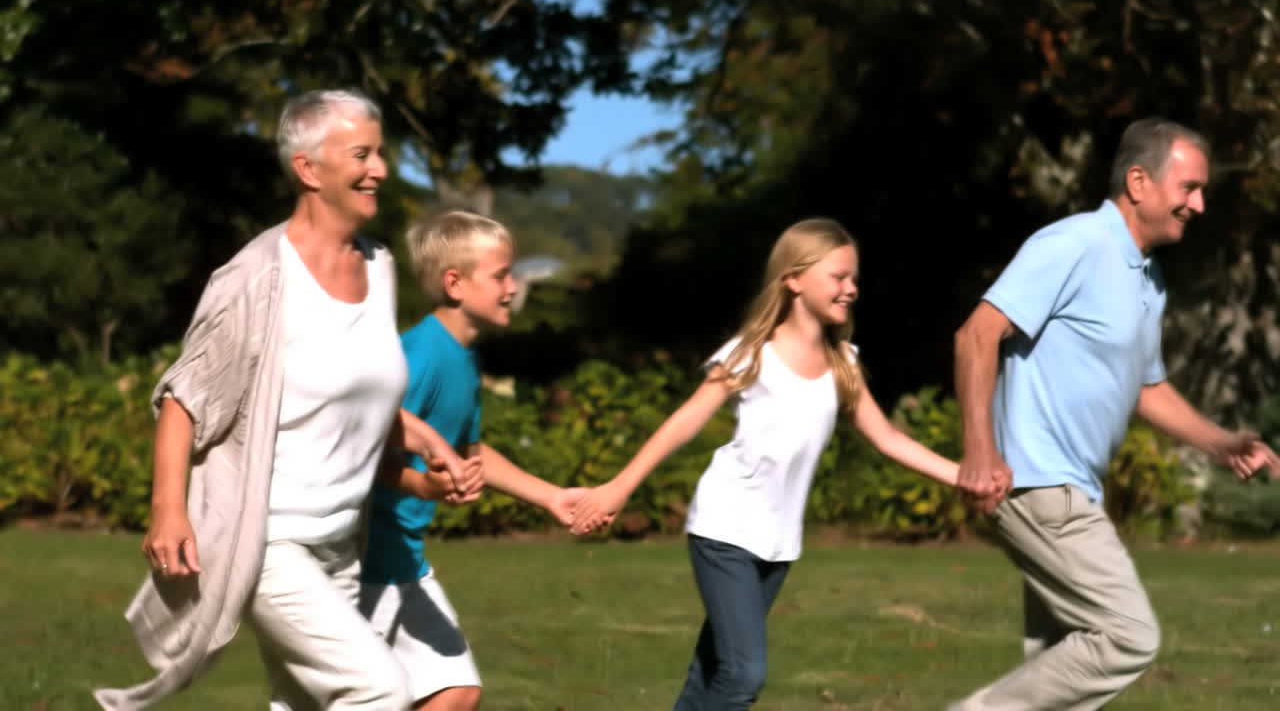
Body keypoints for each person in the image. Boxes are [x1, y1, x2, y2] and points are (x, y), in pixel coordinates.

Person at [95, 88, 443, 710]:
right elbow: (185, 400)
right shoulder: (255, 278)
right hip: (267, 542)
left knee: (305, 704)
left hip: (339, 544)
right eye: (362, 154)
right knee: (378, 690)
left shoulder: (380, 267)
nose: (381, 170)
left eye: (380, 153)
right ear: (308, 169)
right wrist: (167, 511)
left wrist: (423, 442)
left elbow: (361, 394)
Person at [949, 117, 1280, 710]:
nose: (1199, 204)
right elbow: (977, 334)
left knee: (1060, 669)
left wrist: (1221, 442)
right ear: (1138, 181)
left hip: (1075, 487)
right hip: (1038, 482)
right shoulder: (1073, 245)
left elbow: (1147, 389)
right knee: (1126, 638)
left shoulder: (1146, 278)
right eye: (1189, 188)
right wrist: (979, 450)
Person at [569, 218, 960, 710]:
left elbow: (886, 439)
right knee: (742, 674)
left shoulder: (844, 364)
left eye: (853, 278)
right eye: (838, 277)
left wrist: (961, 475)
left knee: (713, 670)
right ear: (794, 278)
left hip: (778, 542)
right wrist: (619, 487)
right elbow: (685, 420)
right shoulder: (753, 353)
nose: (851, 289)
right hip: (725, 528)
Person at [360, 210, 598, 711]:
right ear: (455, 283)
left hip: (405, 560)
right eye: (501, 275)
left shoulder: (463, 358)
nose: (513, 286)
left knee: (456, 690)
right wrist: (424, 488)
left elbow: (470, 452)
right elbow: (370, 446)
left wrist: (551, 497)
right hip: (364, 564)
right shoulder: (419, 355)